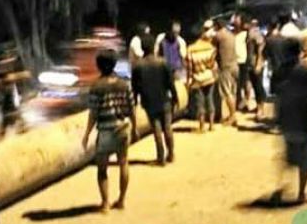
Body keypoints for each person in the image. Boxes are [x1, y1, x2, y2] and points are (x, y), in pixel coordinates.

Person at [82, 50, 138, 212]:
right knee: (123, 163)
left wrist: (86, 134)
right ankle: (121, 200)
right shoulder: (124, 84)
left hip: (105, 131)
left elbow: (93, 113)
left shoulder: (96, 87)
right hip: (122, 128)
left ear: (99, 66)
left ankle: (105, 203)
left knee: (102, 169)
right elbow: (132, 107)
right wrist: (134, 127)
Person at [272, 39, 307, 205]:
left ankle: (280, 188)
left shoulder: (278, 72)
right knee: (305, 159)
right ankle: (301, 193)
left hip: (286, 121)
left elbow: (275, 95)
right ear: (300, 52)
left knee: (287, 155)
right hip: (304, 121)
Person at [132, 35, 178, 165]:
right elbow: (170, 83)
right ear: (153, 47)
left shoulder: (137, 66)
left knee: (156, 130)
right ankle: (171, 154)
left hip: (149, 102)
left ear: (142, 48)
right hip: (164, 100)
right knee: (168, 128)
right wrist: (175, 97)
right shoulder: (162, 62)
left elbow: (135, 88)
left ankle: (160, 157)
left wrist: (135, 102)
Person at [186, 21, 218, 133]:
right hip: (209, 77)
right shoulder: (210, 47)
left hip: (197, 79)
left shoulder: (190, 49)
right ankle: (212, 125)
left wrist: (189, 80)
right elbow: (212, 64)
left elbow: (189, 68)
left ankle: (202, 126)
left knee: (200, 103)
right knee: (210, 100)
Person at [212, 19, 239, 126]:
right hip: (234, 65)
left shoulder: (218, 35)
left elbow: (212, 49)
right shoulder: (231, 34)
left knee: (227, 93)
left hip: (225, 67)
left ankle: (233, 116)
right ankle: (233, 114)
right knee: (233, 92)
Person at [244, 16, 267, 120]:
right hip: (250, 64)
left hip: (255, 64)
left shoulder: (255, 34)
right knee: (255, 85)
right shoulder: (248, 34)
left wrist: (258, 63)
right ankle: (258, 107)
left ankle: (261, 110)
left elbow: (260, 49)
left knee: (258, 87)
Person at [233, 13, 251, 111]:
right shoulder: (231, 33)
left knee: (245, 82)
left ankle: (246, 101)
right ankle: (239, 102)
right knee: (237, 84)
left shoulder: (246, 34)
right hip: (234, 61)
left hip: (243, 61)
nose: (236, 21)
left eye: (237, 20)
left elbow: (249, 48)